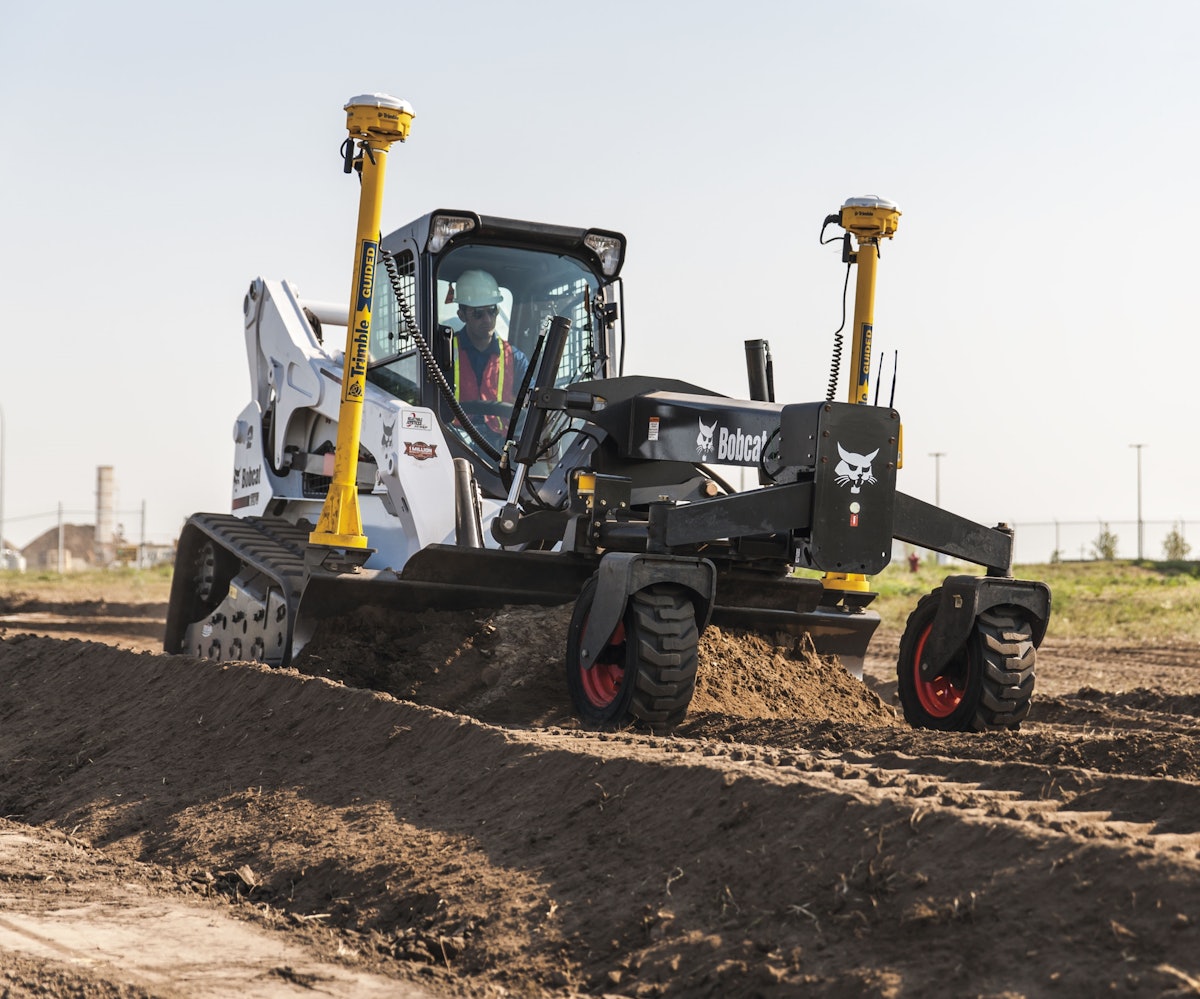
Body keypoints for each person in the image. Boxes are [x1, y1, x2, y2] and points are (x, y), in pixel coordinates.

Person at [451, 269, 529, 434]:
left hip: (500, 445)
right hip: (454, 439)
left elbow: (532, 402)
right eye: (478, 313)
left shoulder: (515, 358)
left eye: (492, 311)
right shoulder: (444, 353)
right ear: (462, 315)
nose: (487, 319)